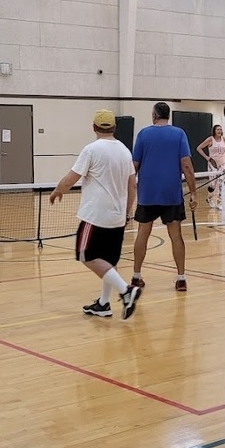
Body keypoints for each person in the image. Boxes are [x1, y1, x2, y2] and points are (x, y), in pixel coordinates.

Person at [49, 110, 142, 319]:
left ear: (94, 127)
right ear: (114, 128)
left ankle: (127, 292)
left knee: (87, 255)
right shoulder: (125, 152)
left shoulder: (91, 150)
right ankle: (103, 303)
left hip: (95, 217)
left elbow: (72, 178)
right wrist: (126, 213)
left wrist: (57, 191)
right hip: (117, 217)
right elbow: (132, 186)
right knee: (109, 261)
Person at [130, 102, 198, 292]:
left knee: (143, 234)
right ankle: (181, 278)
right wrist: (193, 193)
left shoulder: (143, 134)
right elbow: (187, 166)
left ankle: (136, 276)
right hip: (171, 195)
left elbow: (133, 166)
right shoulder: (179, 134)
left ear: (154, 115)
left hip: (147, 195)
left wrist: (126, 190)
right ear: (168, 116)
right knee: (176, 236)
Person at [196, 124, 225, 210]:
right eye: (218, 129)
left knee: (221, 182)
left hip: (223, 164)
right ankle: (209, 198)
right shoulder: (210, 139)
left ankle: (219, 202)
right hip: (213, 165)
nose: (220, 131)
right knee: (213, 185)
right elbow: (199, 148)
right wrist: (207, 157)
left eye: (221, 129)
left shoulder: (224, 139)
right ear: (214, 131)